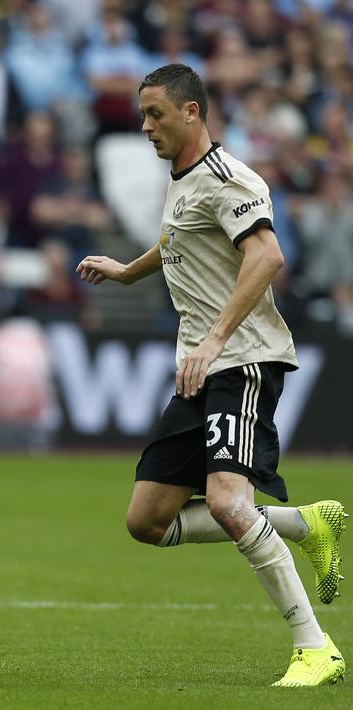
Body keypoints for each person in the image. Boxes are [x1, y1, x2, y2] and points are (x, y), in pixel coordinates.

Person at [77, 64, 346, 687]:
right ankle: (307, 524)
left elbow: (268, 254)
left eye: (155, 114)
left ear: (192, 112)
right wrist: (126, 272)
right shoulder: (183, 177)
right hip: (200, 367)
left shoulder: (230, 178)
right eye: (142, 115)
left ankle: (316, 648)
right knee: (147, 520)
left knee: (228, 502)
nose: (145, 126)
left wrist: (218, 337)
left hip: (242, 360)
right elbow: (178, 240)